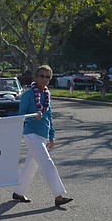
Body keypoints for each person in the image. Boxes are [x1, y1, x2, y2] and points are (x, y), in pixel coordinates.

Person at [11, 65, 73, 207]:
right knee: (47, 163)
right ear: (36, 77)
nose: (44, 79)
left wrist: (52, 136)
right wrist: (34, 118)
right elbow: (21, 115)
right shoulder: (28, 95)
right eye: (41, 76)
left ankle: (18, 192)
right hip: (31, 134)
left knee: (30, 166)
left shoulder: (47, 94)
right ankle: (59, 196)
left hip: (43, 135)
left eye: (47, 77)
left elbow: (49, 116)